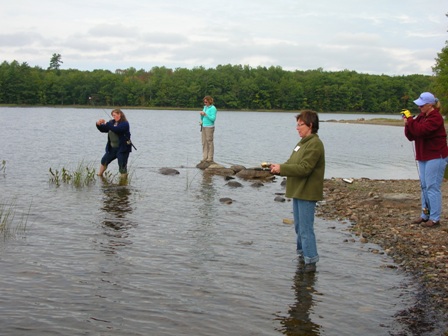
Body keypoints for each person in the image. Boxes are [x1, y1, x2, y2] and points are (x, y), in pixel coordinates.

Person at [270, 110, 325, 273]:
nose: (297, 128)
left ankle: (311, 261)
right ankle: (302, 256)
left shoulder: (315, 143)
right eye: (297, 124)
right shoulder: (302, 143)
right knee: (299, 228)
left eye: (300, 124)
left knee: (306, 229)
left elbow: (305, 168)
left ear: (310, 125)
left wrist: (283, 168)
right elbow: (292, 162)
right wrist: (277, 168)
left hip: (307, 192)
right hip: (298, 191)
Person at [403, 92, 448, 227]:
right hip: (423, 156)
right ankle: (425, 215)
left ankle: (434, 219)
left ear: (430, 105)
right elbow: (412, 135)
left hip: (436, 156)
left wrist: (410, 120)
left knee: (432, 186)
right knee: (424, 186)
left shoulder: (436, 118)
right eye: (419, 105)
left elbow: (421, 131)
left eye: (422, 105)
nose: (419, 107)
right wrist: (407, 124)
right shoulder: (422, 117)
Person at [96, 109, 133, 178]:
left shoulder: (125, 123)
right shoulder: (111, 122)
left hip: (122, 149)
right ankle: (99, 175)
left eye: (115, 115)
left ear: (120, 114)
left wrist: (108, 124)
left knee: (122, 165)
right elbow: (103, 129)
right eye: (113, 115)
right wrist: (98, 124)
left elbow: (117, 129)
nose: (114, 117)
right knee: (104, 160)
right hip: (112, 148)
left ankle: (123, 180)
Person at [199, 96, 217, 164]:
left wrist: (206, 114)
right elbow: (202, 117)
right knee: (204, 142)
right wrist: (201, 114)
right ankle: (205, 157)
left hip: (210, 127)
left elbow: (213, 119)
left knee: (209, 142)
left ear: (210, 101)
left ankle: (210, 158)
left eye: (206, 102)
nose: (205, 103)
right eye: (204, 102)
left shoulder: (213, 108)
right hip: (203, 126)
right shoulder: (205, 107)